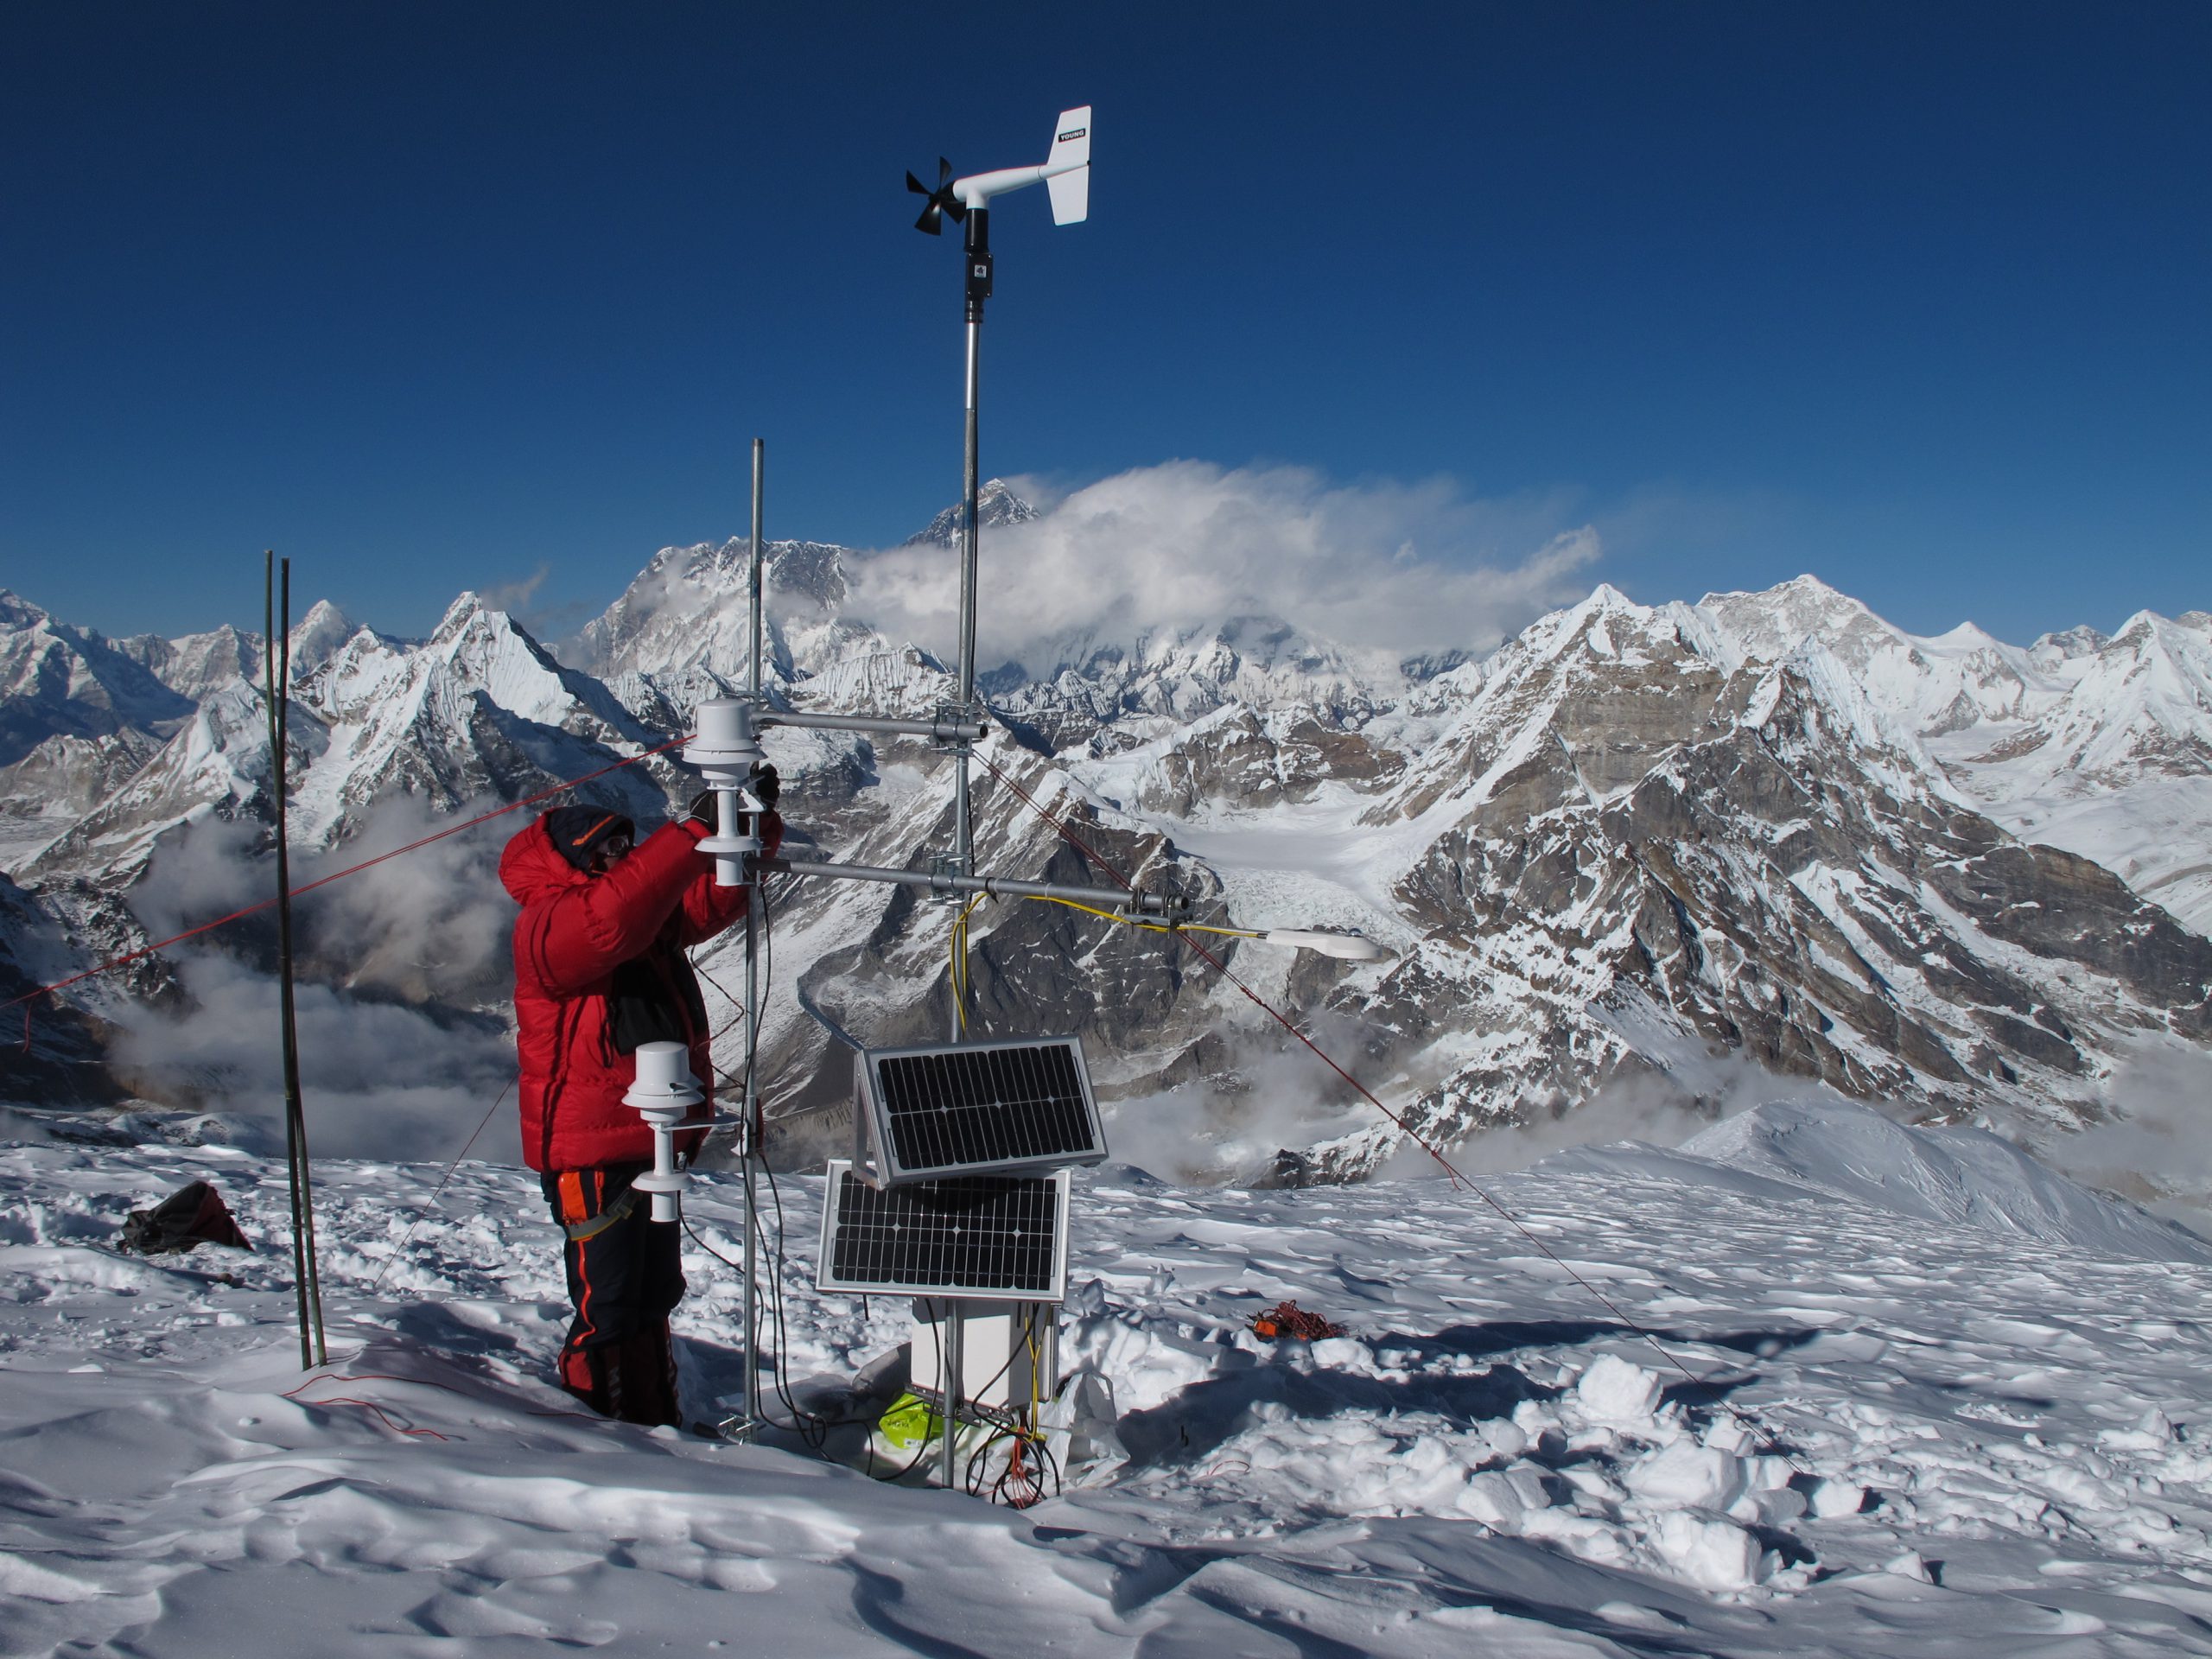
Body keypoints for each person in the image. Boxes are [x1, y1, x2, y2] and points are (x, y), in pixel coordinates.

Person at [498, 777, 781, 1426]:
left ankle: (652, 1425)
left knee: (654, 1294)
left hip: (646, 1137)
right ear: (570, 862)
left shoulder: (626, 922)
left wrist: (750, 827)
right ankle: (598, 1428)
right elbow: (610, 919)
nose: (620, 860)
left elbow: (707, 902)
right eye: (606, 851)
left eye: (626, 846)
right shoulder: (549, 925)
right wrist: (690, 833)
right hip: (592, 1153)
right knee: (612, 1303)